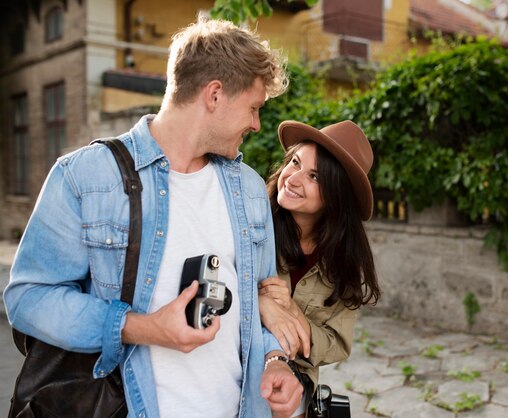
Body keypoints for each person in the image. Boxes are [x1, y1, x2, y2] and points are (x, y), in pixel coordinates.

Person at [3, 18, 303, 418]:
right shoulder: (86, 177)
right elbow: (28, 299)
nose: (256, 124)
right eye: (253, 108)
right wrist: (141, 328)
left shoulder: (249, 189)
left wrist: (274, 361)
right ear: (214, 95)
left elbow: (257, 309)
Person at [258, 120, 382, 416]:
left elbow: (338, 343)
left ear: (335, 196)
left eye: (314, 176)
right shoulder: (254, 223)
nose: (293, 178)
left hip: (295, 379)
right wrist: (261, 303)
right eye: (295, 163)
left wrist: (293, 313)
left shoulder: (344, 261)